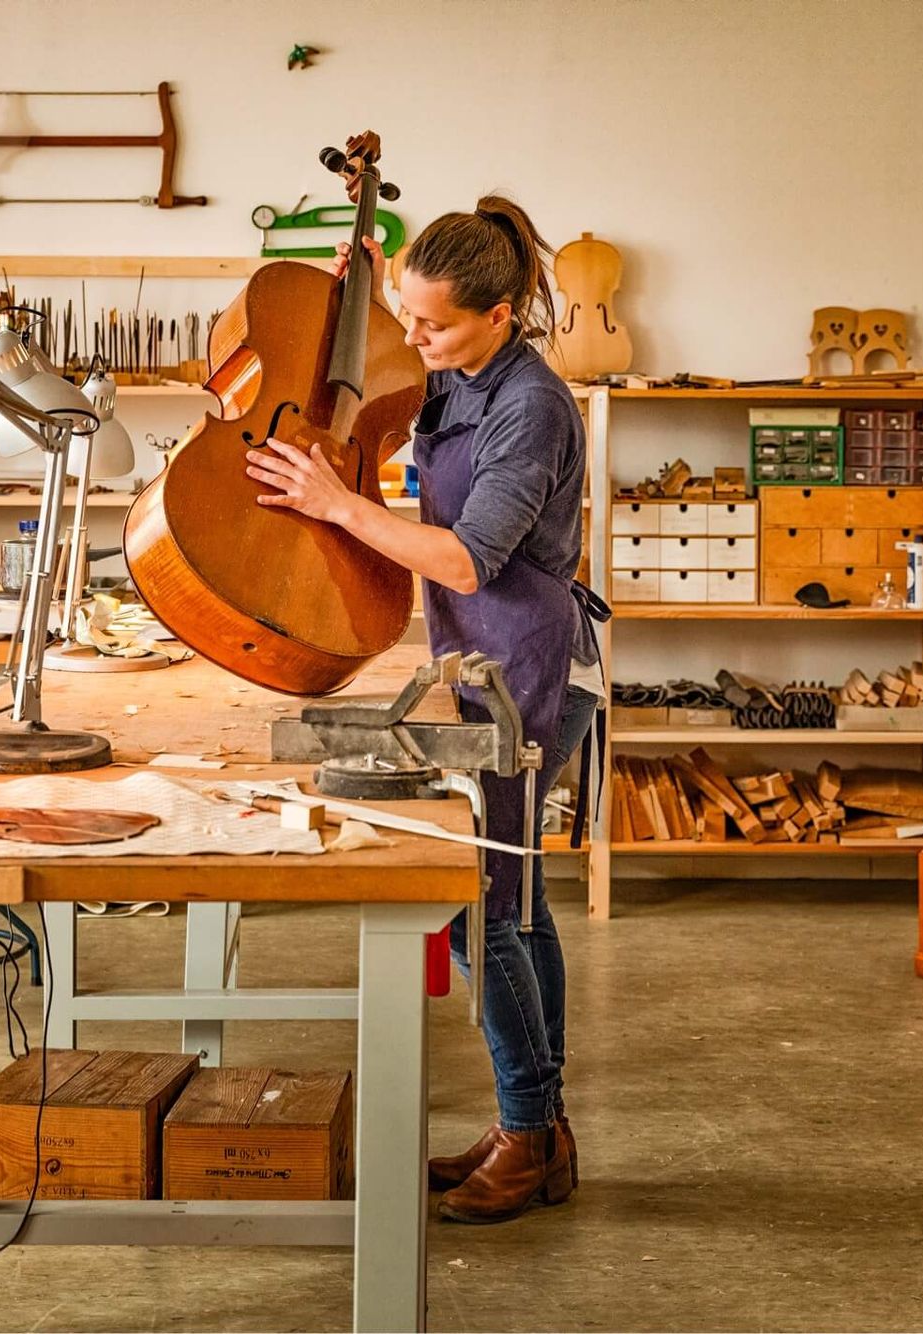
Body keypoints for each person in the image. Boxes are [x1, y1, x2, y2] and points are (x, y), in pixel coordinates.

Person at [244, 196, 603, 1223]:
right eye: (408, 315)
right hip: (485, 657)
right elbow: (395, 367)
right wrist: (366, 285)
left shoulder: (529, 403)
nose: (416, 340)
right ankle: (537, 1127)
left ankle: (529, 1133)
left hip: (528, 664)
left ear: (500, 315)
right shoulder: (461, 366)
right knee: (515, 904)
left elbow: (464, 555)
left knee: (479, 906)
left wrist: (338, 505)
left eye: (434, 324)